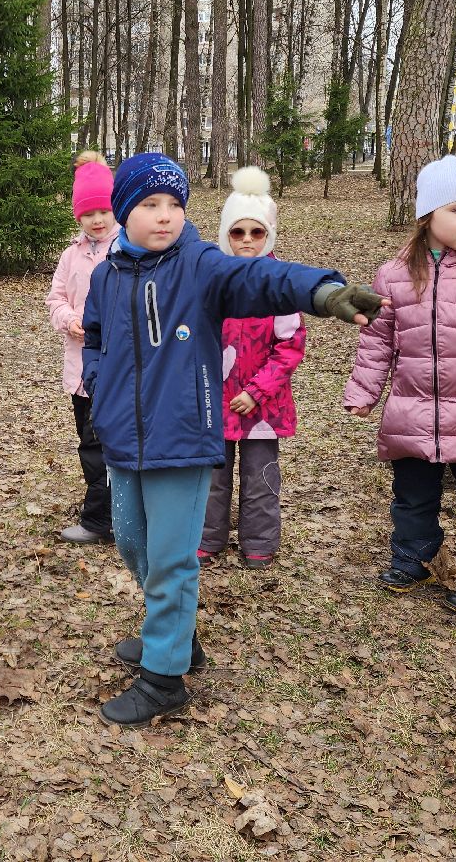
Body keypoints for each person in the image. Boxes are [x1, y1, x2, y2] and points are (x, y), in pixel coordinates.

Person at [82, 152, 383, 726]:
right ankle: (176, 634)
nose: (165, 215)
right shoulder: (106, 274)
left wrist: (321, 293)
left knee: (171, 559)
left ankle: (165, 677)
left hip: (186, 438)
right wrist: (97, 382)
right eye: (150, 204)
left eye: (174, 203)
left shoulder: (200, 266)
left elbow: (261, 278)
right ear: (124, 210)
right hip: (123, 437)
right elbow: (95, 335)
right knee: (131, 542)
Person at [344, 155, 456, 616]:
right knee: (411, 495)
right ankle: (413, 557)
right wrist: (364, 391)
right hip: (412, 407)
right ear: (428, 215)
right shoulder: (394, 273)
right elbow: (378, 339)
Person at [199, 167, 305, 570]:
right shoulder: (211, 279)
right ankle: (208, 538)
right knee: (211, 478)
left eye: (256, 232)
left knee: (261, 478)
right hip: (214, 400)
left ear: (269, 235)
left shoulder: (280, 284)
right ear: (225, 234)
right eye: (237, 232)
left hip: (263, 404)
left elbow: (290, 347)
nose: (246, 240)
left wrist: (257, 391)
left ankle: (260, 541)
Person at [46, 151, 120, 544]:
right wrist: (69, 319)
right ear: (78, 216)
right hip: (82, 371)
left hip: (121, 366)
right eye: (88, 212)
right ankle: (99, 517)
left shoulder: (127, 249)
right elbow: (55, 298)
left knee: (120, 440)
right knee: (90, 443)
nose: (97, 219)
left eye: (104, 210)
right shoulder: (70, 255)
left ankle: (115, 515)